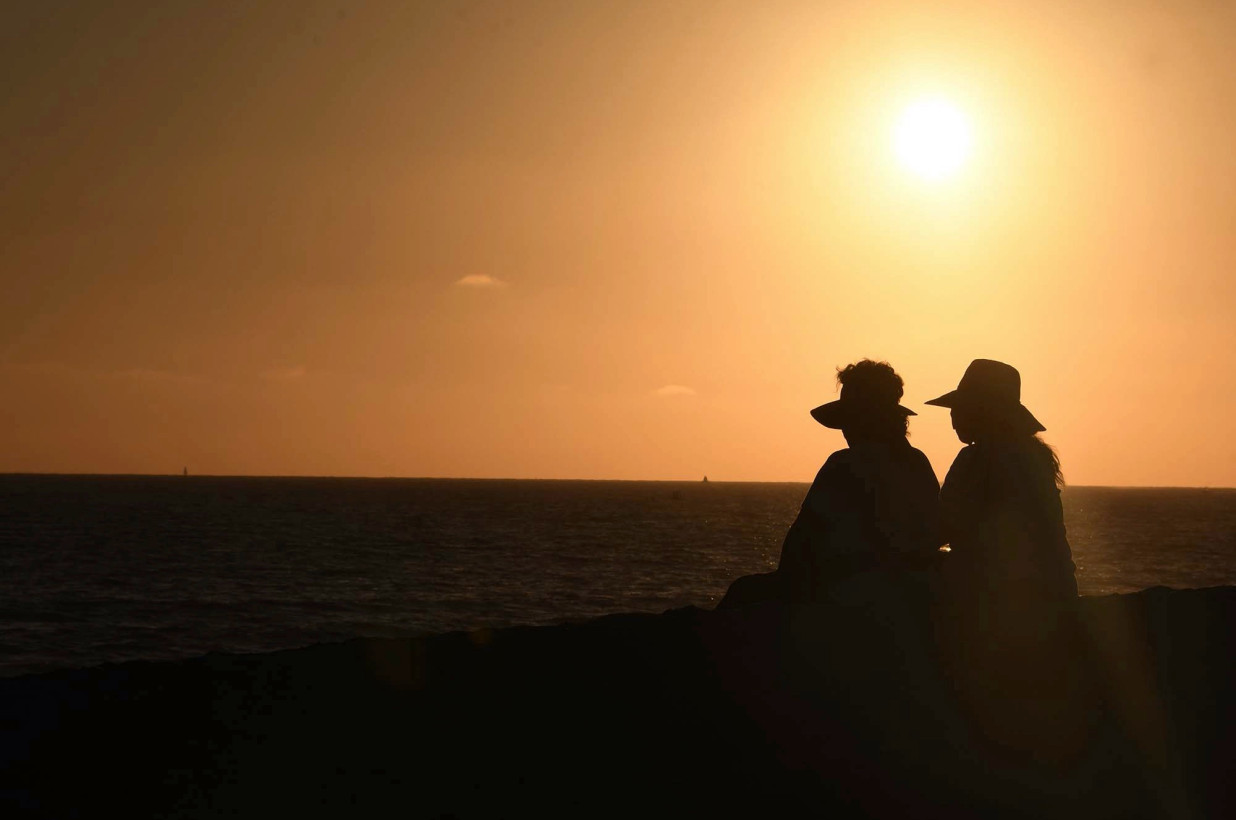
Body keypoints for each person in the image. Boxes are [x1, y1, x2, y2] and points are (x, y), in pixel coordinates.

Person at [719, 359, 942, 608]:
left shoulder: (844, 465)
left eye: (850, 420)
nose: (846, 430)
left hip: (851, 592)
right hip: (907, 588)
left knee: (743, 593)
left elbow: (802, 540)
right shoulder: (917, 462)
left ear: (864, 420)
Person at [924, 359, 1077, 606]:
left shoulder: (976, 459)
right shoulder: (1034, 458)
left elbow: (944, 526)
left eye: (960, 408)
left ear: (981, 413)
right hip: (1055, 588)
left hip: (999, 595)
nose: (953, 416)